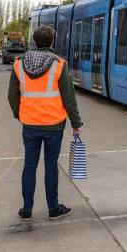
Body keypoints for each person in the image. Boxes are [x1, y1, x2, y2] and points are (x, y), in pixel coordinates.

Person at [8, 25, 83, 222]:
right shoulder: (59, 64)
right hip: (54, 125)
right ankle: (53, 208)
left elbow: (12, 95)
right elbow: (69, 98)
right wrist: (76, 122)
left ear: (34, 42)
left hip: (30, 124)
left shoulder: (19, 63)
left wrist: (20, 114)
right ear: (51, 42)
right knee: (51, 166)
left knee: (29, 165)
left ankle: (26, 209)